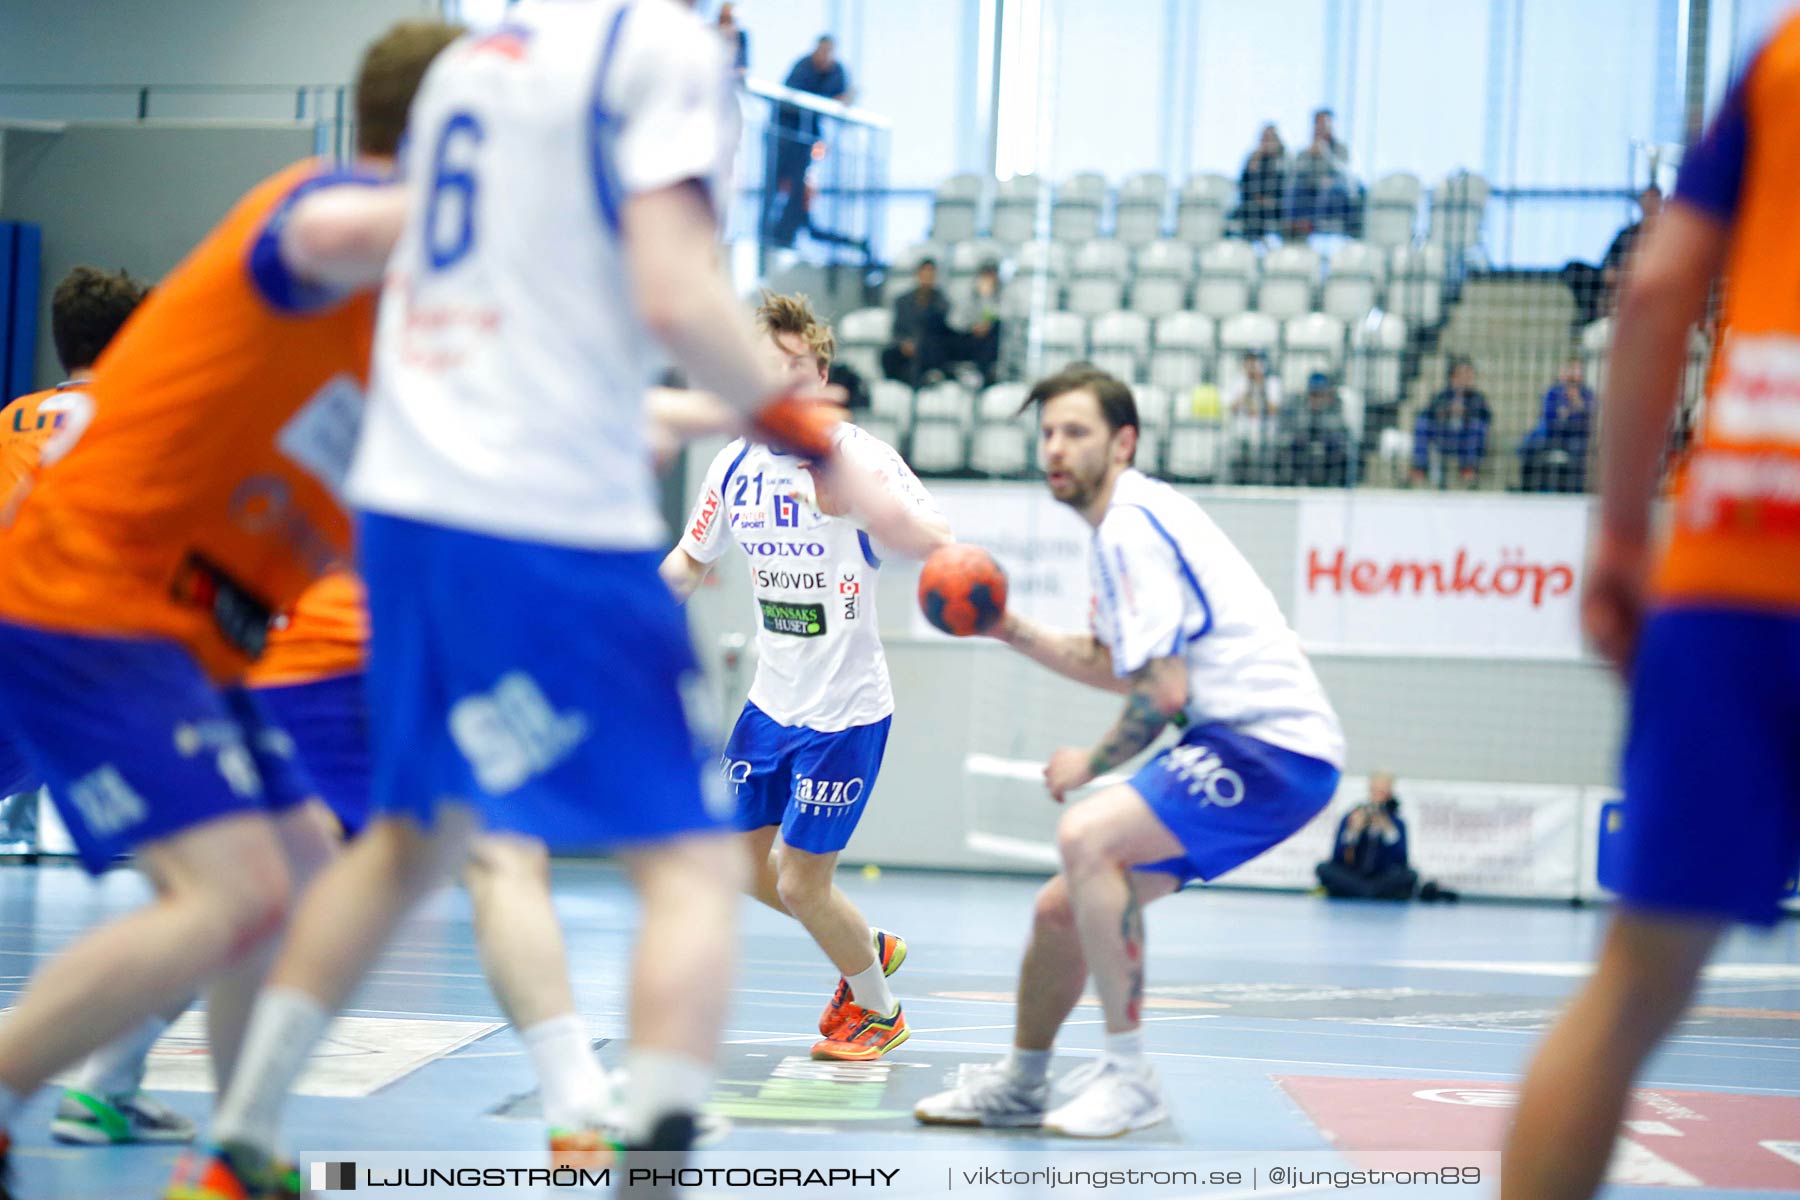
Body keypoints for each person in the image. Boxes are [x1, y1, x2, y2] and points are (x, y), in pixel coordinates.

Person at [185, 3, 844, 1194]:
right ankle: (651, 1150)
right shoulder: (663, 54)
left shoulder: (475, 62)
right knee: (692, 864)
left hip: (406, 512)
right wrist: (790, 418)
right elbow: (673, 295)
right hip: (543, 518)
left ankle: (237, 1139)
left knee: (403, 846)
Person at [0, 22, 463, 1197]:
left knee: (306, 863)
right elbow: (343, 227)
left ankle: (240, 1143)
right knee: (235, 893)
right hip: (90, 607)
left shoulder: (390, 331)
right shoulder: (315, 214)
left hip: (188, 639)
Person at [1501, 17, 1800, 1198]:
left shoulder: (1781, 59)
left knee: (1635, 989)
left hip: (1738, 575)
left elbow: (1661, 285)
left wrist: (1623, 529)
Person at [914, 364, 1343, 1137]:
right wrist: (1008, 627)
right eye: (1047, 433)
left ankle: (1129, 1077)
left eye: (1075, 432)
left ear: (1123, 443)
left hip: (1270, 748)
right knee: (1059, 913)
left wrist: (1089, 764)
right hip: (1240, 746)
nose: (1056, 448)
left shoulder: (1130, 527)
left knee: (1087, 833)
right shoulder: (1127, 525)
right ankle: (1023, 1082)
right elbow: (1124, 668)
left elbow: (1165, 692)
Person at [662, 291, 951, 1061]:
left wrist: (857, 505)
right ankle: (862, 942)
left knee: (797, 882)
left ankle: (880, 1012)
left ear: (820, 377)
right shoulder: (733, 464)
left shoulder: (858, 458)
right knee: (736, 862)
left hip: (845, 712)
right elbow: (691, 560)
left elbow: (940, 540)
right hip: (770, 703)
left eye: (797, 368)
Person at [765, 35, 853, 248]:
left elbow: (842, 98)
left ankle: (786, 235)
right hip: (786, 135)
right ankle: (769, 233)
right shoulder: (802, 67)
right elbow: (791, 99)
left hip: (807, 139)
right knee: (776, 187)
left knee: (799, 189)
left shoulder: (836, 71)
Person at [1564, 185, 1664, 328]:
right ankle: (1592, 315)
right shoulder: (1628, 233)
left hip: (1651, 284)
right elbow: (1608, 261)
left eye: (1653, 200)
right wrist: (1611, 270)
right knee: (1574, 269)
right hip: (1619, 282)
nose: (1649, 204)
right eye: (1646, 200)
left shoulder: (1668, 235)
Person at [1315, 772, 1416, 900]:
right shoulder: (1353, 815)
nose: (1378, 794)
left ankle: (1363, 892)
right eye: (1376, 790)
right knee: (1323, 868)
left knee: (1410, 875)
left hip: (1381, 877)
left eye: (1382, 791)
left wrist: (1388, 831)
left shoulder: (1397, 823)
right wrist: (1353, 832)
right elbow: (1337, 857)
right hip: (1354, 875)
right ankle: (1369, 892)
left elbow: (1402, 861)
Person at [1410, 357, 1491, 487]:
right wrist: (1446, 411)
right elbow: (1427, 413)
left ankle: (1468, 470)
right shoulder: (1442, 396)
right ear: (1453, 377)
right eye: (1461, 375)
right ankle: (1419, 469)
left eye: (1468, 375)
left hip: (1465, 439)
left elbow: (1486, 418)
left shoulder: (1477, 398)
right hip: (1443, 436)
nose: (1464, 379)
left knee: (1476, 427)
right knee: (1422, 424)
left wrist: (1466, 414)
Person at [1518, 357, 1593, 493]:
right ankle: (1527, 490)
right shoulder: (1553, 393)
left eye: (1576, 370)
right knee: (1528, 446)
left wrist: (1576, 405)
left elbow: (1587, 420)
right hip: (1553, 436)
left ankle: (1574, 492)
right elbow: (1549, 418)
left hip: (1575, 438)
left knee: (1579, 452)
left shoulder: (1587, 395)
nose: (1572, 375)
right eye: (1570, 370)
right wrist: (1568, 416)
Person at [881, 258, 952, 385]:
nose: (927, 277)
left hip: (928, 349)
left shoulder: (941, 302)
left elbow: (940, 330)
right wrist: (904, 343)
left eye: (931, 274)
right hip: (906, 349)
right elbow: (897, 330)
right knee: (888, 355)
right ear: (918, 274)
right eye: (924, 273)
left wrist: (920, 345)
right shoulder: (902, 301)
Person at [1277, 371, 1352, 487]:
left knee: (1337, 451)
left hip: (1328, 448)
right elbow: (1291, 428)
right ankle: (1294, 482)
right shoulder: (1299, 406)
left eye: (1320, 394)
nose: (1316, 398)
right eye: (1313, 394)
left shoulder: (1335, 407)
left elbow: (1340, 430)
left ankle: (1332, 483)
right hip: (1302, 447)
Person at [1285, 108, 1352, 237]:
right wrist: (1309, 156)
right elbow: (1296, 172)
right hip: (1311, 189)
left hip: (1334, 190)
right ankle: (1291, 226)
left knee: (1326, 187)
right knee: (1295, 185)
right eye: (1318, 123)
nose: (1321, 127)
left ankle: (1316, 225)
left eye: (1324, 123)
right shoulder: (1305, 152)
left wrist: (1325, 154)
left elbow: (1344, 174)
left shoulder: (1341, 149)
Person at [1224, 349, 1282, 484]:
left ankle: (1265, 482)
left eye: (1255, 361)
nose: (1252, 365)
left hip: (1265, 427)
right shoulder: (1238, 381)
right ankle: (1237, 481)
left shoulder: (1272, 382)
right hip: (1243, 427)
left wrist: (1260, 384)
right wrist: (1249, 387)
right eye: (1249, 361)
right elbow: (1232, 408)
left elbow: (1273, 410)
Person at [950, 262, 1003, 386]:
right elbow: (955, 321)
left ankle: (983, 374)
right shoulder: (966, 294)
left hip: (990, 341)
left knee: (996, 331)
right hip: (968, 337)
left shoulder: (1002, 296)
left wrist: (987, 297)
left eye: (991, 275)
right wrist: (972, 327)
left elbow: (1001, 318)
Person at [1238, 123, 1287, 242]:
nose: (1267, 143)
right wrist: (1253, 166)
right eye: (1264, 139)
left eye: (1270, 138)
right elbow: (1243, 187)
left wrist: (1269, 202)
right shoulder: (1254, 159)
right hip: (1254, 206)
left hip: (1277, 207)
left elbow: (1284, 188)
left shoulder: (1284, 160)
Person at [716, 2, 747, 79]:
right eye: (723, 19)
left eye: (729, 20)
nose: (725, 25)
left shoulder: (740, 37)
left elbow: (743, 69)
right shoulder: (708, 35)